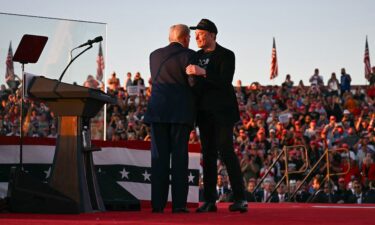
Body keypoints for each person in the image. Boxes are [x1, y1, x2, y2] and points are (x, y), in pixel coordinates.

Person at [186, 18, 247, 213]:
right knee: (209, 154)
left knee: (226, 151)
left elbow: (224, 80)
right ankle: (210, 200)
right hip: (203, 112)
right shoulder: (195, 56)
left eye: (201, 34)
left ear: (212, 34)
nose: (197, 38)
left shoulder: (226, 55)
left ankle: (240, 198)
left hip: (222, 112)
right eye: (196, 35)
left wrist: (202, 72)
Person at [144, 24, 195, 213]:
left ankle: (157, 204)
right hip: (180, 113)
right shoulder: (189, 55)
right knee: (179, 159)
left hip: (157, 112)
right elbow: (192, 83)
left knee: (159, 159)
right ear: (186, 38)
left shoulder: (154, 55)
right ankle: (179, 204)